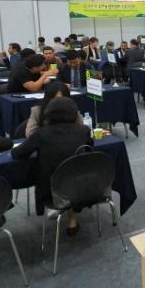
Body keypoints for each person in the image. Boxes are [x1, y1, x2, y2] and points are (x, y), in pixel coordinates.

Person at [12, 97, 92, 235]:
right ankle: (72, 219)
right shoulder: (84, 130)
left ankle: (59, 209)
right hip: (81, 187)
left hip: (51, 191)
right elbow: (90, 149)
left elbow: (17, 154)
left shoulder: (41, 134)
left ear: (49, 114)